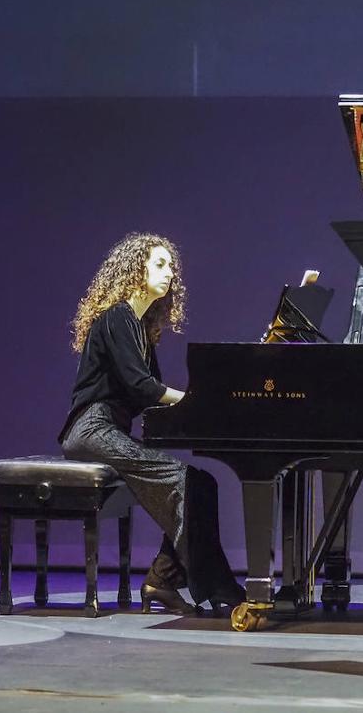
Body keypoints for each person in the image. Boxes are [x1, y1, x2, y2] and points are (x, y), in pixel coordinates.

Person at [59, 232, 244, 616]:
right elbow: (143, 387)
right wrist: (199, 402)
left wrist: (193, 411)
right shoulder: (117, 317)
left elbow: (148, 396)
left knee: (201, 482)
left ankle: (160, 580)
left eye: (171, 267)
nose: (169, 273)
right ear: (134, 269)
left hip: (110, 431)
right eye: (159, 264)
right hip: (91, 429)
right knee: (184, 481)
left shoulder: (140, 329)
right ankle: (218, 585)